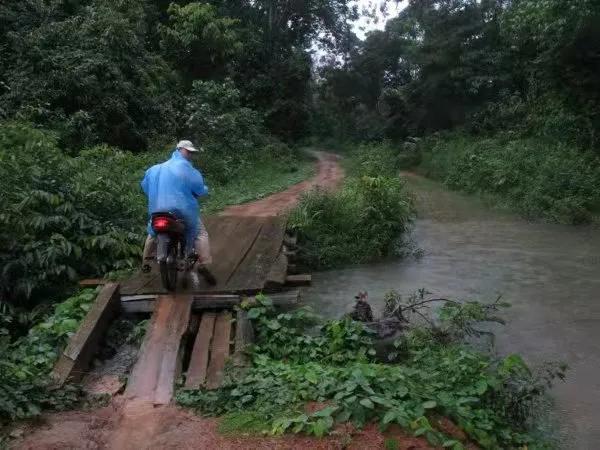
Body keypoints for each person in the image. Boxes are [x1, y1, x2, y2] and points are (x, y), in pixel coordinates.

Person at [140, 140, 216, 285]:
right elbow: (199, 189)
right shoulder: (186, 169)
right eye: (188, 151)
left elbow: (144, 186)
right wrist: (204, 191)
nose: (190, 155)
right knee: (200, 233)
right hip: (182, 211)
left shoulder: (155, 168)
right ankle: (204, 263)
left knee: (152, 231)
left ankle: (145, 262)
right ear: (179, 149)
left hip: (158, 210)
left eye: (192, 152)